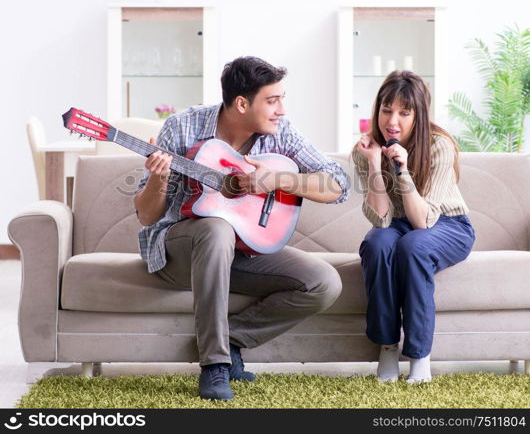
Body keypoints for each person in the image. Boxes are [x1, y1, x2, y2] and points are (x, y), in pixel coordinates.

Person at [134, 56, 350, 400]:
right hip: (182, 254)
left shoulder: (282, 132)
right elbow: (147, 216)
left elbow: (339, 184)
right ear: (241, 103)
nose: (281, 109)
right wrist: (159, 180)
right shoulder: (182, 127)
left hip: (242, 252)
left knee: (323, 283)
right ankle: (215, 364)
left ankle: (231, 338)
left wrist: (277, 179)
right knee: (216, 228)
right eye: (272, 100)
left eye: (282, 98)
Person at [351, 70, 475, 384]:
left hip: (446, 224)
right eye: (386, 110)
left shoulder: (439, 146)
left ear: (418, 115)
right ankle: (388, 346)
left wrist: (403, 170)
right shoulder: (365, 150)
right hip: (398, 224)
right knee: (377, 243)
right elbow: (380, 220)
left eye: (404, 113)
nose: (393, 120)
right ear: (377, 109)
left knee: (414, 245)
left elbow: (423, 222)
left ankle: (420, 355)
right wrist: (376, 165)